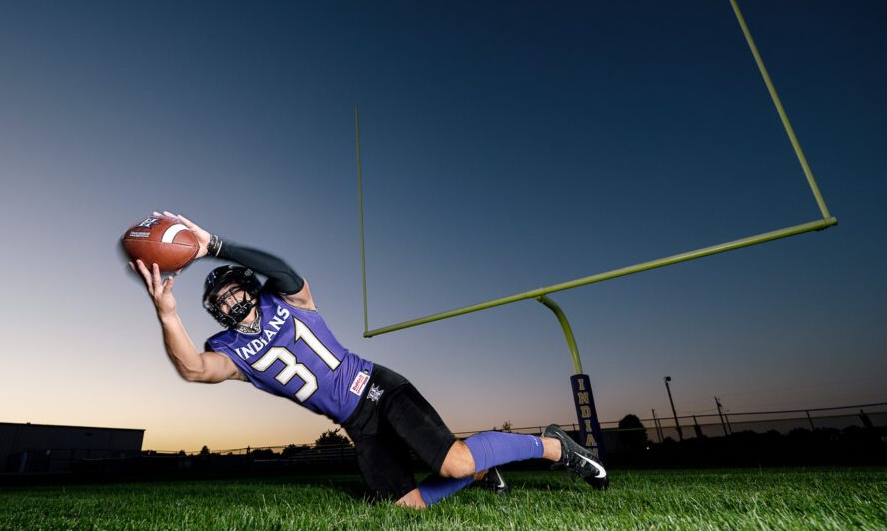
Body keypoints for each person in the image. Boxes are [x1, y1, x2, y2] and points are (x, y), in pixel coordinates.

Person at [129, 211, 609, 508]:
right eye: (224, 299)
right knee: (408, 506)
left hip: (379, 391)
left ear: (250, 287)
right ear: (215, 311)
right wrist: (167, 313)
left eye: (236, 290)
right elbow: (192, 368)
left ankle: (555, 448)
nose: (233, 302)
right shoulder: (232, 353)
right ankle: (483, 468)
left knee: (453, 463)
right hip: (358, 425)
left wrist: (215, 246)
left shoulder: (289, 300)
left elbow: (285, 270)